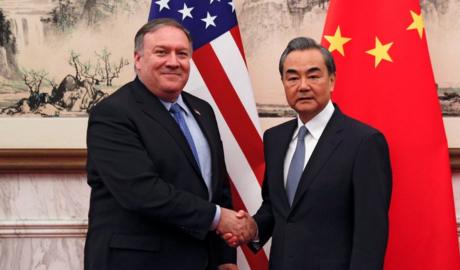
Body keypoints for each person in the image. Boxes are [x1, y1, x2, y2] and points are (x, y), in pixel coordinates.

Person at [84, 18, 253, 270]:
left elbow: (217, 189)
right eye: (161, 52)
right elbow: (142, 193)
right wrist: (219, 219)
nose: (173, 62)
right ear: (138, 59)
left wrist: (225, 257)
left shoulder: (202, 110)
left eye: (182, 54)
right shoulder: (113, 113)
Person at [223, 37, 392, 269]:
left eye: (313, 76)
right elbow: (277, 207)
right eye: (292, 77)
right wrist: (253, 228)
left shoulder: (364, 142)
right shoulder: (275, 139)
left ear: (332, 80)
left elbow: (371, 232)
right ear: (283, 82)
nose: (303, 86)